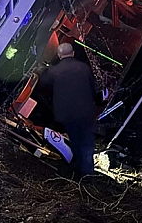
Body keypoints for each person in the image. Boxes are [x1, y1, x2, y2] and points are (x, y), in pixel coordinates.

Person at [38, 42, 101, 178]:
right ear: (73, 53)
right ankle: (88, 172)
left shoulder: (54, 71)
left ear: (59, 55)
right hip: (85, 111)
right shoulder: (84, 68)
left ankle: (78, 172)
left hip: (66, 113)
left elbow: (42, 83)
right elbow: (94, 88)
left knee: (75, 140)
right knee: (87, 142)